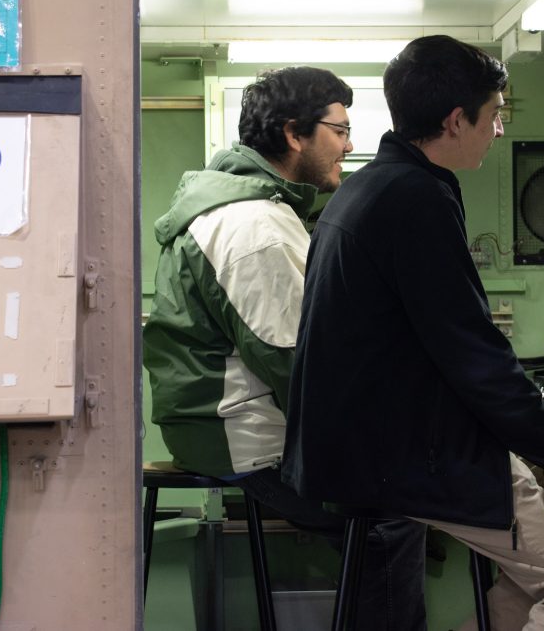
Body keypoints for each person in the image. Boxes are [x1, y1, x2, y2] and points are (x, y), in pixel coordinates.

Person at [282, 36, 544, 631]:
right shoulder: (414, 198)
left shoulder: (373, 186)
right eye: (494, 118)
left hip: (374, 445)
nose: (498, 133)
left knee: (531, 586)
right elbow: (473, 355)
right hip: (403, 458)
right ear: (457, 120)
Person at [143, 66, 428, 630]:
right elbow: (301, 365)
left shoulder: (254, 210)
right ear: (296, 134)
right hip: (243, 438)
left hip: (217, 424)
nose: (349, 144)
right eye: (339, 130)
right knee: (394, 511)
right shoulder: (255, 227)